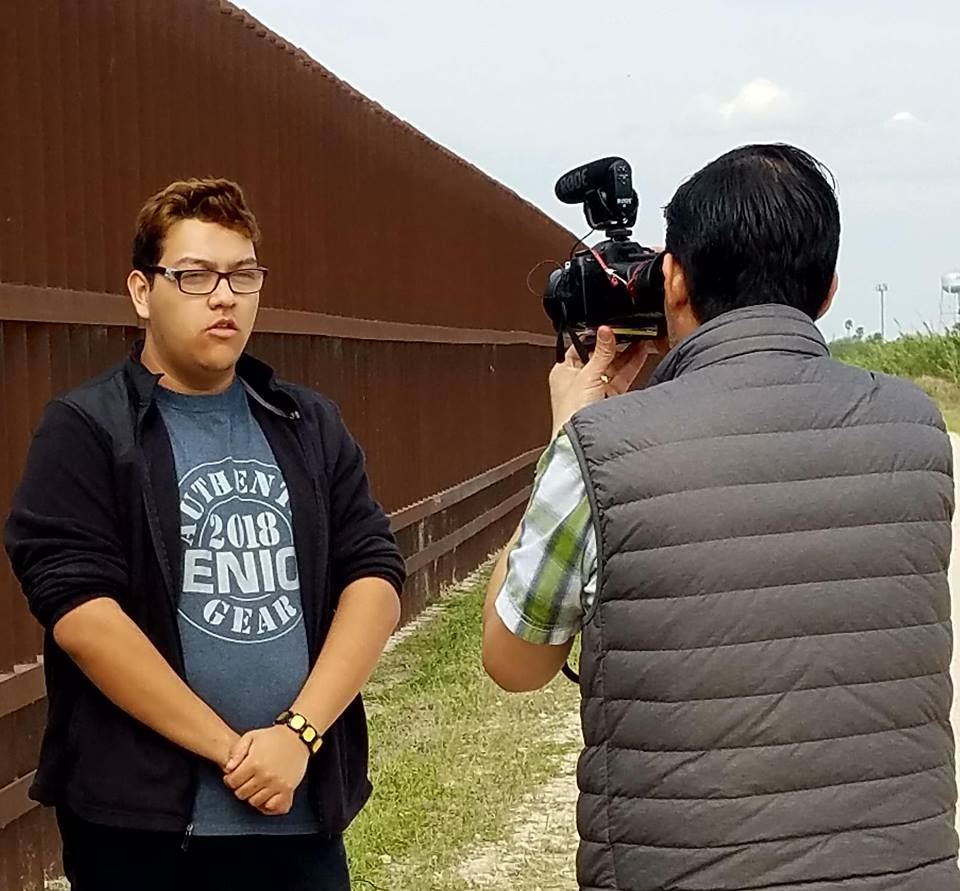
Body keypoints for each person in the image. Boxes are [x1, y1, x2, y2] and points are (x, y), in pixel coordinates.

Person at [482, 144, 959, 890]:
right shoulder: (917, 428)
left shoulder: (603, 449)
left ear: (673, 276)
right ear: (829, 290)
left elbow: (515, 659)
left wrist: (566, 439)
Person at [5, 178, 405, 891]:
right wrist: (233, 751)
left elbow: (373, 575)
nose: (224, 296)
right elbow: (82, 615)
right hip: (141, 828)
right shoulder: (88, 429)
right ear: (141, 290)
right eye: (194, 275)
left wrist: (298, 736)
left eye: (242, 275)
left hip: (299, 814)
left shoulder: (307, 424)